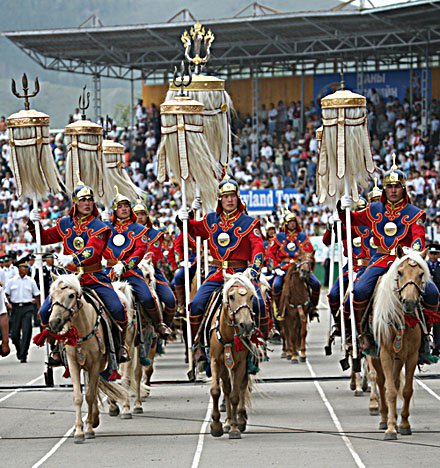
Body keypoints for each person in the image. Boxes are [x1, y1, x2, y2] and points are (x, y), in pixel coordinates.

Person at [339, 161, 440, 361]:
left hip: (405, 260)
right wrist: (343, 209)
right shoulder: (374, 209)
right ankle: (363, 335)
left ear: (403, 188)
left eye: (397, 187)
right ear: (385, 189)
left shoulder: (414, 213)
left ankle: (425, 336)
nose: (393, 191)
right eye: (390, 187)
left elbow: (419, 237)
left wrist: (415, 253)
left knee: (433, 293)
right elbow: (351, 220)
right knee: (358, 292)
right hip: (380, 258)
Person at [27, 181, 129, 362]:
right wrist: (35, 226)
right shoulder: (64, 223)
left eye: (90, 200)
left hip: (94, 276)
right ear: (75, 203)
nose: (87, 203)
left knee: (117, 308)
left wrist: (73, 259)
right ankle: (56, 349)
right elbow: (45, 238)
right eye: (83, 200)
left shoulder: (99, 226)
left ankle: (120, 346)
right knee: (44, 312)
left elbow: (93, 250)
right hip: (69, 278)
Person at [178, 174, 268, 340]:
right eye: (226, 197)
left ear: (238, 198)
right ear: (220, 199)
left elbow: (258, 247)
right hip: (217, 272)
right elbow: (193, 229)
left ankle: (259, 339)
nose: (230, 200)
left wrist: (254, 270)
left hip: (241, 273)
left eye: (233, 196)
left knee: (259, 303)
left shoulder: (249, 222)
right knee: (196, 304)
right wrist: (185, 216)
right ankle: (198, 342)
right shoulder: (211, 219)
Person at [104, 194, 171, 339]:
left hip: (130, 272)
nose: (124, 209)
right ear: (114, 210)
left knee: (147, 297)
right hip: (108, 271)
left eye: (127, 206)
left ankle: (159, 323)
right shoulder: (106, 228)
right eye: (120, 206)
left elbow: (140, 250)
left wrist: (125, 265)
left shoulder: (139, 229)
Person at [268, 211, 321, 320]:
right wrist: (276, 267)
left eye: (294, 222)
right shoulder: (279, 237)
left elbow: (309, 251)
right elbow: (270, 253)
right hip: (284, 268)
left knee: (316, 284)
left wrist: (305, 262)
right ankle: (279, 309)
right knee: (276, 286)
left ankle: (313, 308)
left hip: (300, 267)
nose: (292, 224)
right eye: (290, 222)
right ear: (285, 224)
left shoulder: (303, 236)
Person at [132, 200, 176, 330]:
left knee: (170, 300)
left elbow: (155, 254)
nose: (140, 217)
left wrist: (144, 259)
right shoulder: (126, 232)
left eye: (142, 214)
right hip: (129, 270)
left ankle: (164, 326)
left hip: (150, 270)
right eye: (137, 214)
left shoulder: (155, 234)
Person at [4, 256, 40, 363]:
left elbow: (37, 295)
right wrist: (8, 304)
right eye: (24, 267)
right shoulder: (11, 281)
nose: (26, 269)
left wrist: (39, 309)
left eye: (27, 267)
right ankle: (20, 350)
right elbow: (5, 294)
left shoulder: (31, 281)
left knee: (26, 331)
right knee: (14, 335)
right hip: (15, 309)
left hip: (27, 308)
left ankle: (24, 354)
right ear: (19, 268)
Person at [427, 244, 440, 355]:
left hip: (438, 300)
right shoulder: (423, 266)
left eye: (436, 253)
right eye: (431, 253)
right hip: (425, 300)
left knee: (437, 324)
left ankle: (437, 348)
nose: (433, 256)